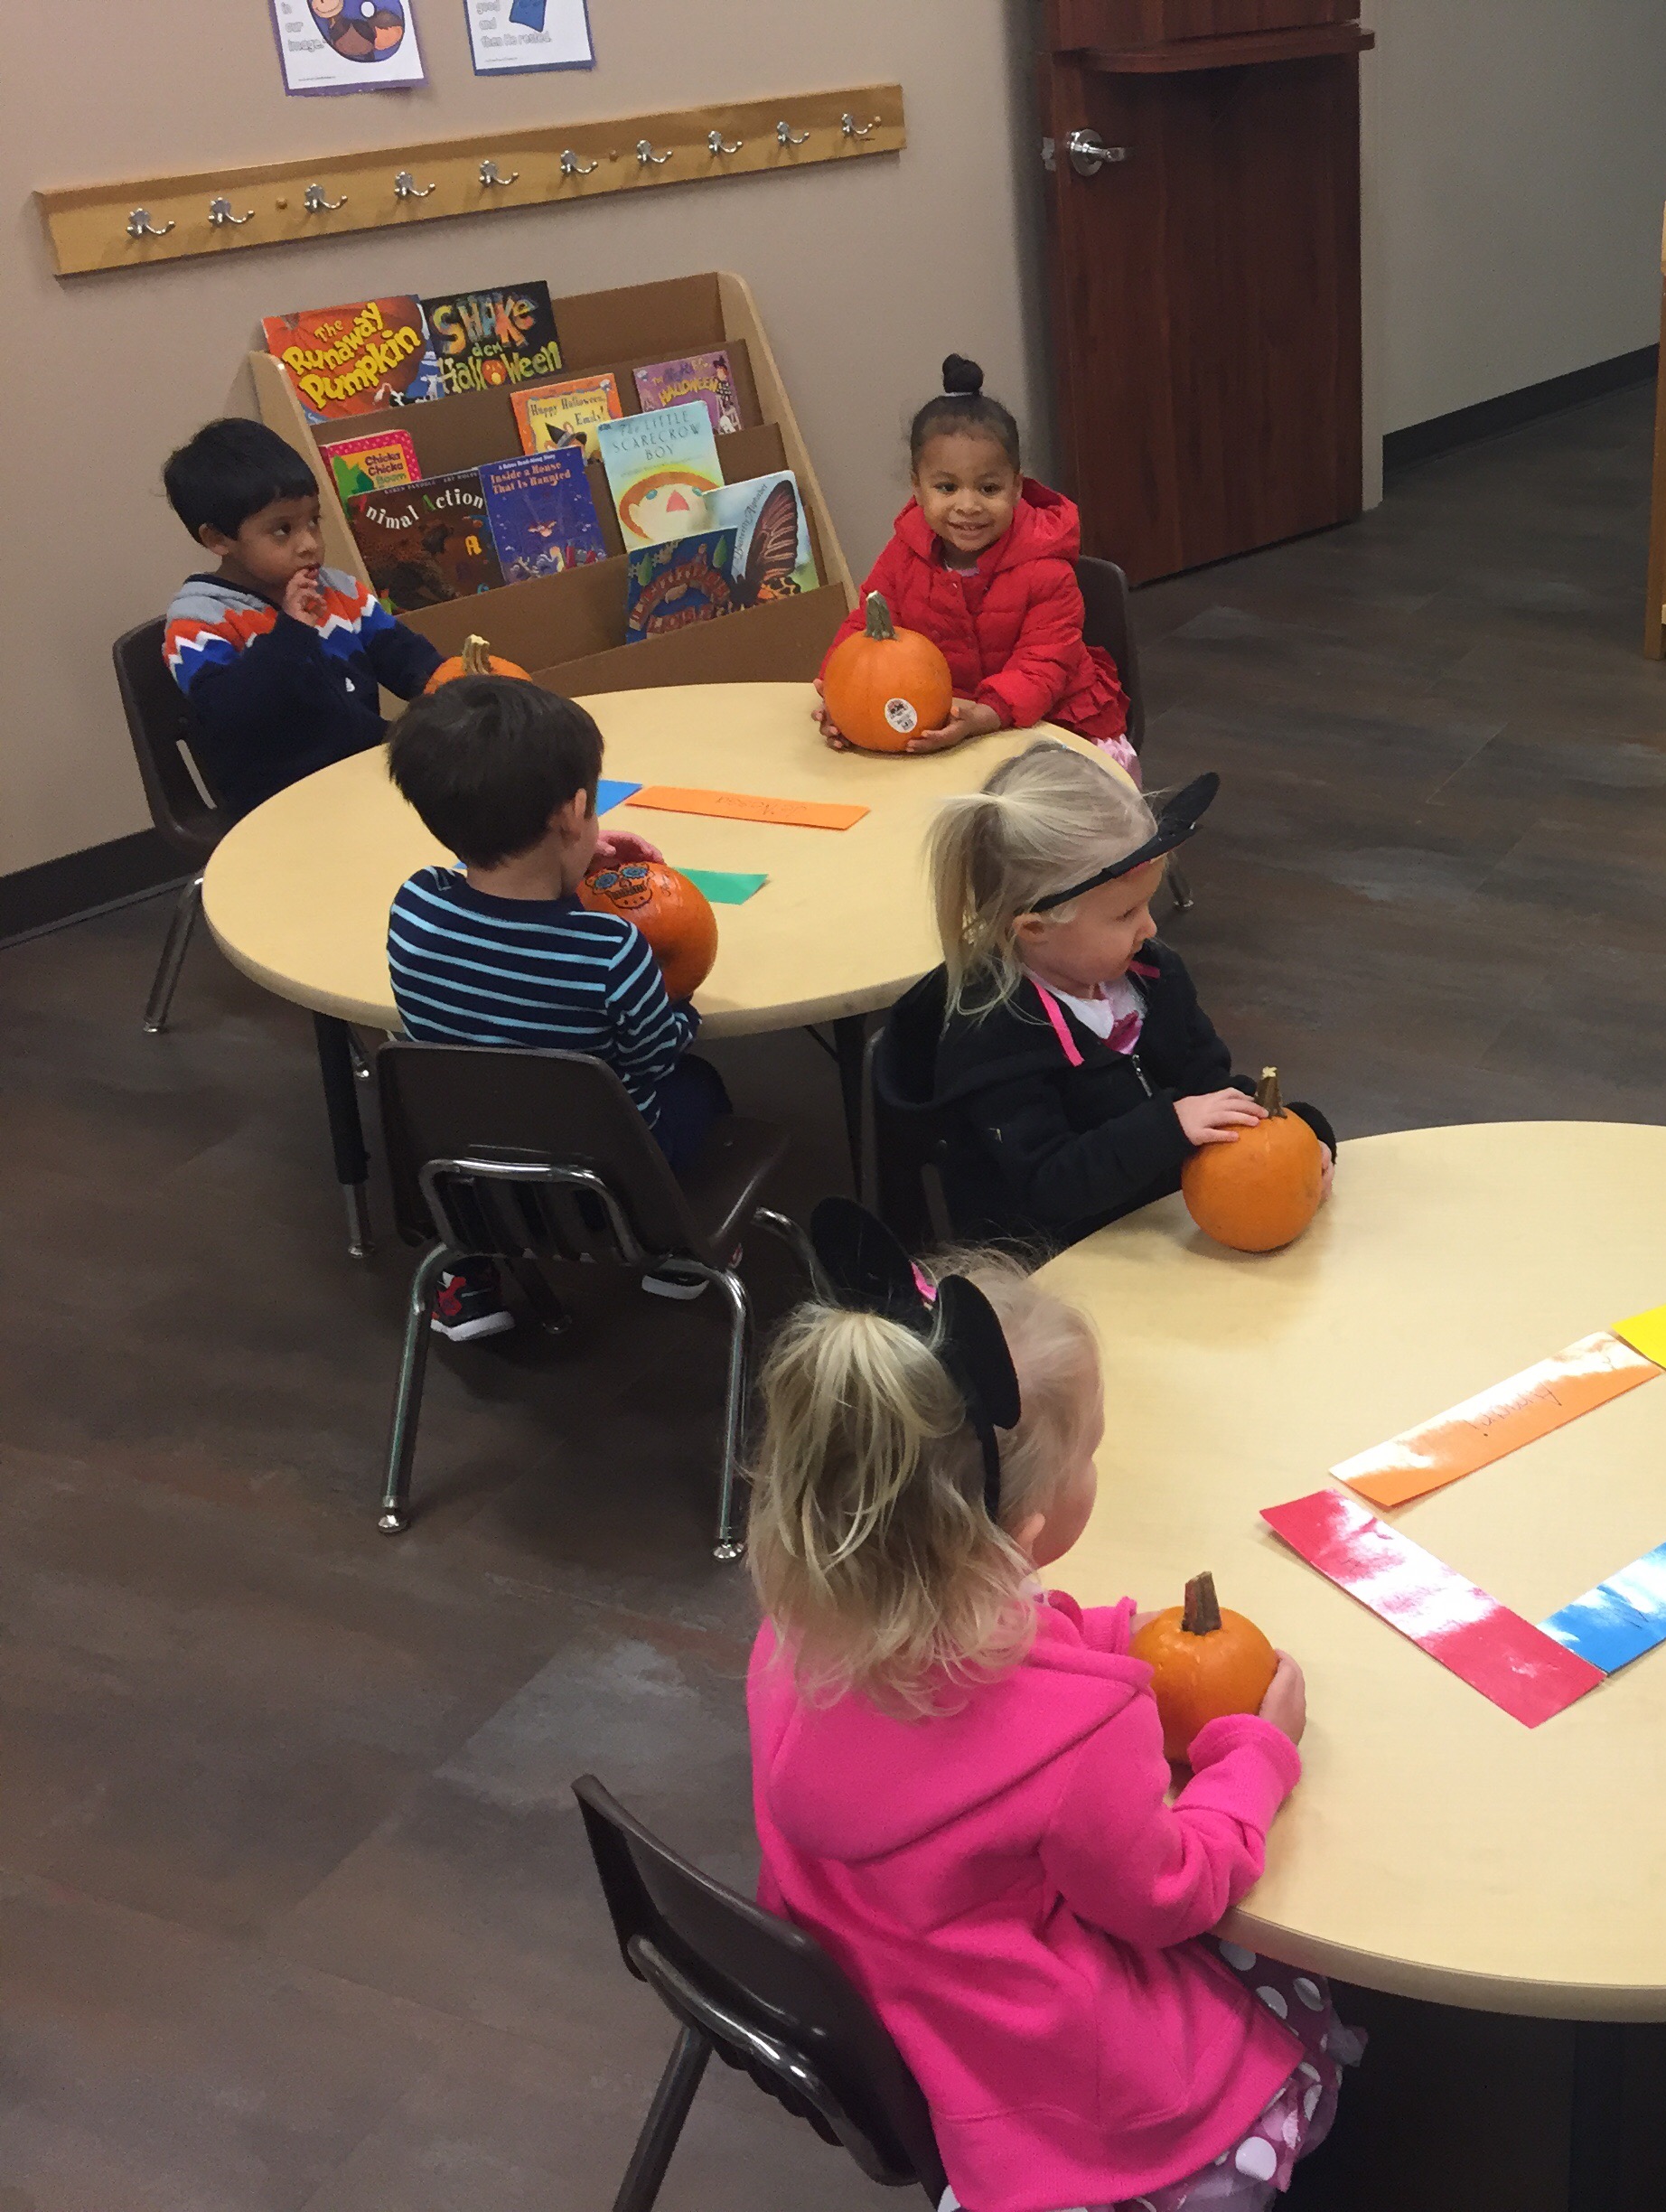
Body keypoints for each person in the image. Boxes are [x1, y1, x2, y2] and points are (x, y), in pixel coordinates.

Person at [749, 1199, 1355, 2212]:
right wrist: (1255, 1757)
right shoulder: (1081, 1737)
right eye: (1091, 1455)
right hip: (1026, 2056)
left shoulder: (798, 1629)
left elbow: (988, 1641)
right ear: (1030, 1529)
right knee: (1283, 2028)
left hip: (872, 1990)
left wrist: (1112, 1635)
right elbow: (1167, 1896)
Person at [878, 740, 1332, 1249]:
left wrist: (1293, 1136)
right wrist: (1167, 1128)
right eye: (1124, 914)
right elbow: (1047, 1186)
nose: (1150, 927)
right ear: (1034, 928)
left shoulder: (1154, 977)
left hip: (1166, 1226)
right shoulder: (993, 1039)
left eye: (1147, 904)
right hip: (1057, 1258)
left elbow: (1207, 1084)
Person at [383, 678, 725, 1340]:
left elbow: (492, 912)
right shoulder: (610, 949)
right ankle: (676, 1254)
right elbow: (655, 1056)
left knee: (483, 1084)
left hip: (467, 1181)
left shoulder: (414, 905)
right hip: (600, 1192)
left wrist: (566, 858)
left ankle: (467, 1276)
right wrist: (686, 1012)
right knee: (699, 1086)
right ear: (573, 812)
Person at [816, 355, 1133, 771]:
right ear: (917, 487)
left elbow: (1045, 664)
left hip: (1050, 717)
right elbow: (866, 628)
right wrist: (842, 699)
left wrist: (985, 715)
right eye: (947, 487)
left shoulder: (1047, 569)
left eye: (988, 488)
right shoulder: (902, 555)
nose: (968, 506)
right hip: (951, 722)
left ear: (1016, 487)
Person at [160, 417, 444, 818]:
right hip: (277, 801)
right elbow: (231, 713)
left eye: (314, 521)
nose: (309, 544)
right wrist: (291, 633)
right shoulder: (197, 622)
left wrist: (454, 684)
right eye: (282, 530)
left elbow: (405, 658)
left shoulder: (340, 591)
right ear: (218, 538)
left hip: (366, 771)